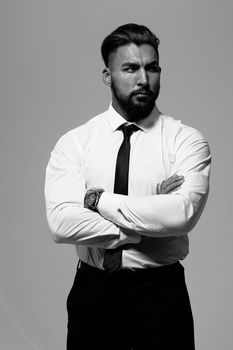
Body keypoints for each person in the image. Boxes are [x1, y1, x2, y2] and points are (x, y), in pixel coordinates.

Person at [44, 23, 211, 350]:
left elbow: (180, 216)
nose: (144, 80)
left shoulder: (186, 141)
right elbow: (62, 224)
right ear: (108, 75)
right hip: (92, 293)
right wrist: (147, 217)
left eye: (152, 68)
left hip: (161, 294)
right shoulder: (76, 143)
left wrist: (95, 199)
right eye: (131, 68)